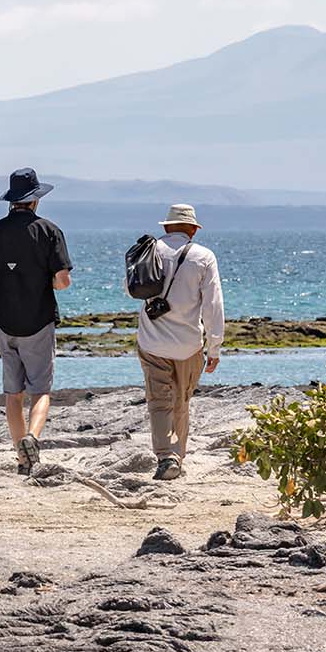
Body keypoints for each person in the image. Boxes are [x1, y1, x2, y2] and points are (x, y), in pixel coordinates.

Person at [0, 167, 73, 475]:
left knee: (12, 394)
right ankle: (32, 438)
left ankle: (21, 457)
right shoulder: (49, 231)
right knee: (40, 390)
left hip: (5, 323)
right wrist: (47, 283)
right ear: (36, 200)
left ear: (12, 201)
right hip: (39, 321)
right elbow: (63, 281)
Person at [135, 203, 224, 481]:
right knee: (182, 401)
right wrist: (215, 346)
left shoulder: (149, 251)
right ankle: (178, 456)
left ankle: (166, 456)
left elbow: (131, 289)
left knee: (159, 402)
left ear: (167, 226)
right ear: (193, 230)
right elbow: (213, 305)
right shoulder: (204, 257)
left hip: (151, 340)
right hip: (189, 345)